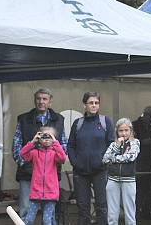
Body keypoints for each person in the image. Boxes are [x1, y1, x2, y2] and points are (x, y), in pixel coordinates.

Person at [13, 88, 67, 217]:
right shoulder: (23, 119)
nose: (41, 102)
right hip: (27, 174)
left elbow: (64, 146)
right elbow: (16, 146)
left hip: (50, 175)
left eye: (44, 99)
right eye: (38, 99)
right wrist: (24, 163)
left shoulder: (59, 120)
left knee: (49, 214)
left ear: (50, 102)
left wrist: (55, 163)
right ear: (34, 100)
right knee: (26, 210)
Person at [68, 92, 113, 225]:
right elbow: (70, 145)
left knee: (102, 206)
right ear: (85, 105)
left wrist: (103, 161)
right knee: (83, 207)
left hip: (100, 171)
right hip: (80, 172)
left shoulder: (105, 122)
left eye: (96, 103)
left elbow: (111, 145)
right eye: (91, 103)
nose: (94, 105)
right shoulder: (78, 124)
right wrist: (75, 163)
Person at [20, 126, 67, 225]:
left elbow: (62, 158)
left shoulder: (55, 154)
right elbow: (23, 154)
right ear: (39, 138)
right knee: (28, 220)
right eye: (44, 136)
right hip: (36, 192)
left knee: (47, 221)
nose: (46, 139)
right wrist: (32, 142)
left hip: (51, 193)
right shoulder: (34, 153)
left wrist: (55, 142)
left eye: (49, 136)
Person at [103, 118, 140, 225]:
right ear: (117, 132)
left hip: (128, 180)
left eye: (126, 130)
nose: (124, 133)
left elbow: (130, 157)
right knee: (112, 213)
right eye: (121, 131)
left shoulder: (135, 143)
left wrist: (114, 159)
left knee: (129, 212)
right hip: (112, 179)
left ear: (131, 131)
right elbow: (105, 159)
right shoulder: (113, 144)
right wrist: (117, 146)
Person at [132, 106, 151, 219]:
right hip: (139, 164)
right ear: (146, 115)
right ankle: (137, 212)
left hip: (149, 163)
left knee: (150, 189)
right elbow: (129, 142)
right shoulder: (135, 125)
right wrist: (142, 142)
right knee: (139, 190)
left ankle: (145, 211)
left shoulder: (149, 127)